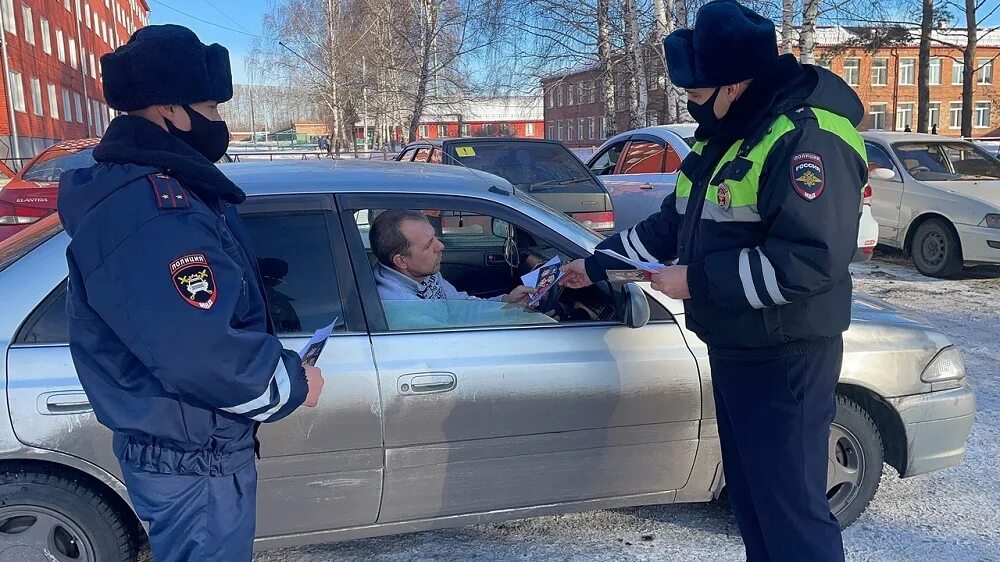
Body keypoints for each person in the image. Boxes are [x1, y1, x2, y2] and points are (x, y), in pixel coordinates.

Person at [561, 2, 867, 560]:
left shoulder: (806, 138)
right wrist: (598, 262)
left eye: (696, 97)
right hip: (737, 348)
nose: (691, 109)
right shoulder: (725, 133)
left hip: (788, 356)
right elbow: (673, 224)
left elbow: (810, 261)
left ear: (733, 86)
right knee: (751, 503)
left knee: (792, 513)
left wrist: (698, 282)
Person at [56, 25, 324, 562]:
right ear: (169, 111)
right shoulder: (154, 210)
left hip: (189, 445)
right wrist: (293, 382)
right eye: (211, 106)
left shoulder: (153, 191)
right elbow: (201, 351)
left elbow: (173, 309)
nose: (219, 122)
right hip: (193, 452)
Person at [370, 210, 534, 303]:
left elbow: (459, 305)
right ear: (401, 261)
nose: (440, 246)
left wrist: (506, 302)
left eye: (435, 237)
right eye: (428, 245)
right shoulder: (403, 306)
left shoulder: (422, 273)